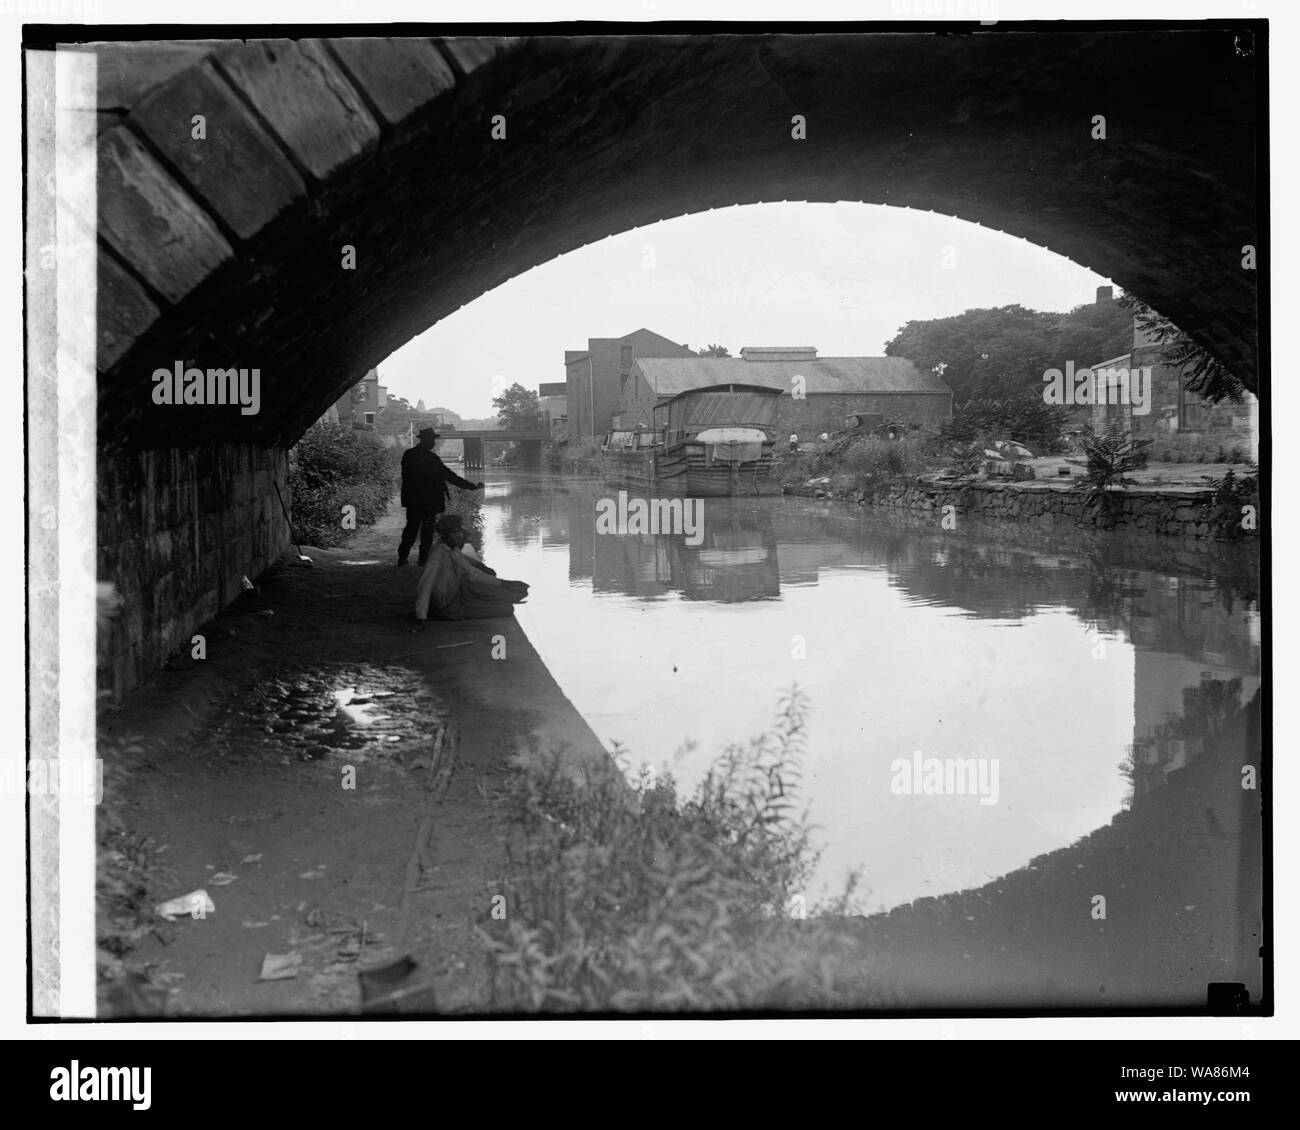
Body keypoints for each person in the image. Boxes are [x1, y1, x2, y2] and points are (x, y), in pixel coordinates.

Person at [415, 515, 529, 621]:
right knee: (506, 609)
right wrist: (421, 616)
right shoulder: (437, 554)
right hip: (449, 608)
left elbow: (472, 572)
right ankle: (438, 613)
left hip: (459, 595)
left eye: (459, 531)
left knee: (505, 595)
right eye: (455, 532)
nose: (459, 536)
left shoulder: (451, 548)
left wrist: (503, 583)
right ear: (446, 534)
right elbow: (425, 585)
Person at [398, 427, 484, 566]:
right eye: (432, 440)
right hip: (429, 501)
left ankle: (403, 557)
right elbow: (450, 476)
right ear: (426, 440)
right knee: (426, 531)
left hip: (413, 500)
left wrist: (470, 485)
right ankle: (423, 559)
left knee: (411, 528)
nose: (433, 443)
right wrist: (471, 486)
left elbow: (407, 477)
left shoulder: (409, 455)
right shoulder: (432, 459)